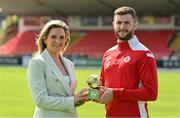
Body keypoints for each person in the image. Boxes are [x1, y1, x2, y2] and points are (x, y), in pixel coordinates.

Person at [98, 6, 158, 117]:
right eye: (119, 22)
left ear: (135, 25)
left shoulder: (144, 54)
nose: (122, 27)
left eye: (127, 23)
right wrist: (92, 93)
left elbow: (151, 93)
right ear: (113, 25)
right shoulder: (108, 53)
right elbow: (103, 86)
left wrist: (115, 93)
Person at [27, 20, 88, 118]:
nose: (58, 41)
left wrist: (80, 98)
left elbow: (69, 97)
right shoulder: (37, 63)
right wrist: (72, 100)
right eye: (53, 37)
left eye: (62, 37)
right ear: (45, 39)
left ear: (66, 40)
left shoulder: (69, 64)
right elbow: (41, 100)